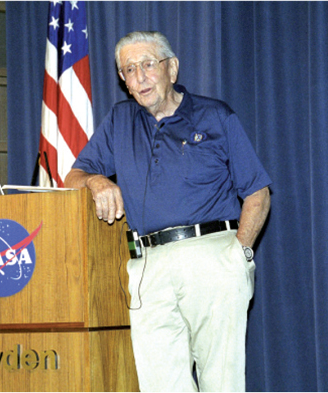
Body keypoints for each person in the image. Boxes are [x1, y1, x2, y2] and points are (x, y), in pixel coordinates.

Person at [64, 31, 271, 392]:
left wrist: (239, 254)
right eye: (129, 70)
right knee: (160, 384)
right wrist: (97, 181)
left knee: (221, 380)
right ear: (124, 83)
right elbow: (73, 177)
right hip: (148, 265)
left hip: (213, 258)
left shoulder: (214, 115)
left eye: (148, 64)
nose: (140, 77)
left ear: (171, 69)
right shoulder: (119, 120)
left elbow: (258, 192)